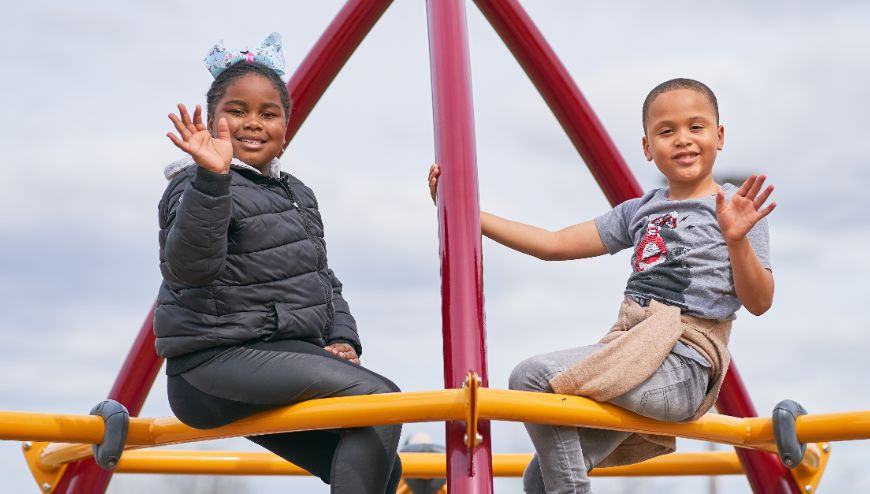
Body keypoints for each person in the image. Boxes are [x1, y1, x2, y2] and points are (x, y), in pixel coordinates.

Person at [428, 78, 775, 494]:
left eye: (695, 127)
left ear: (719, 136)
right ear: (648, 147)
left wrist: (736, 239)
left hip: (684, 362)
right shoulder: (640, 210)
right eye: (666, 131)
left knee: (531, 377)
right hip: (631, 349)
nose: (683, 139)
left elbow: (759, 301)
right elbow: (554, 244)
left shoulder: (736, 206)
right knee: (538, 478)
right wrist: (467, 212)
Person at [155, 33, 402, 493]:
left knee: (384, 463)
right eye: (237, 111)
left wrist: (342, 337)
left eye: (268, 114)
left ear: (285, 131)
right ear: (211, 124)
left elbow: (322, 278)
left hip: (277, 357)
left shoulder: (297, 194)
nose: (253, 123)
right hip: (212, 364)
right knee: (380, 400)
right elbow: (188, 269)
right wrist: (212, 178)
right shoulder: (194, 184)